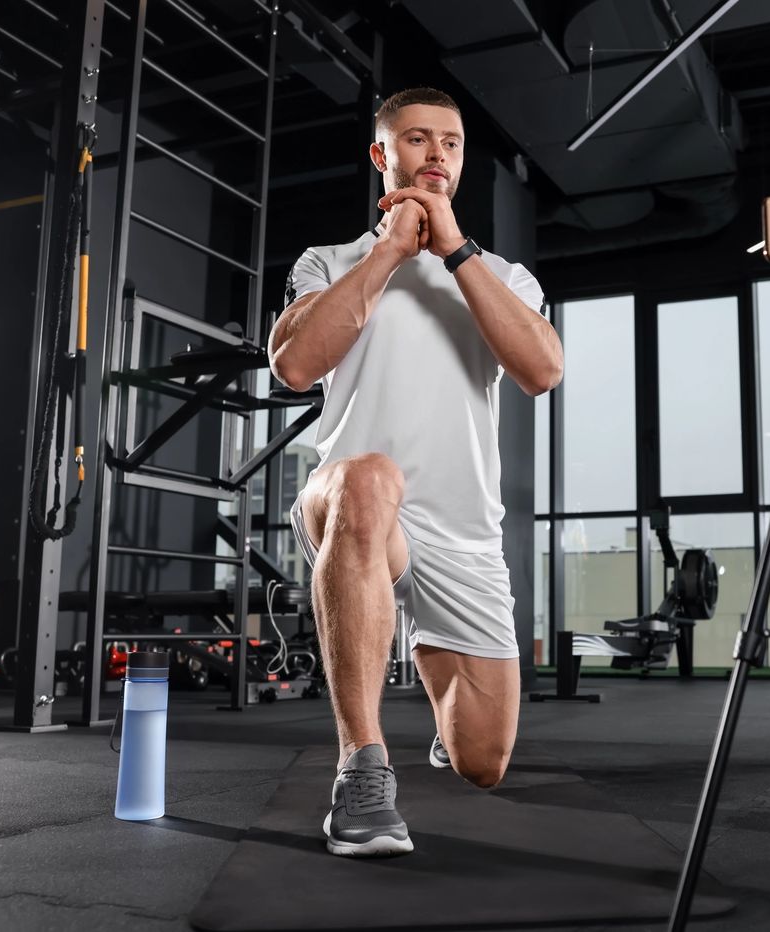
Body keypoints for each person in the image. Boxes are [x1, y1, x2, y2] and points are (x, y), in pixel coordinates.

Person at [267, 86, 563, 858]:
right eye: (418, 139)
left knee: (482, 763)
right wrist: (392, 250)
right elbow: (295, 364)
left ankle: (435, 687)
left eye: (452, 143)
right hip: (353, 500)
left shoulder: (503, 275)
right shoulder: (326, 263)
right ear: (383, 155)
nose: (436, 154)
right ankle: (361, 770)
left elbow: (541, 371)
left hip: (460, 531)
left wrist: (452, 251)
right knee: (367, 478)